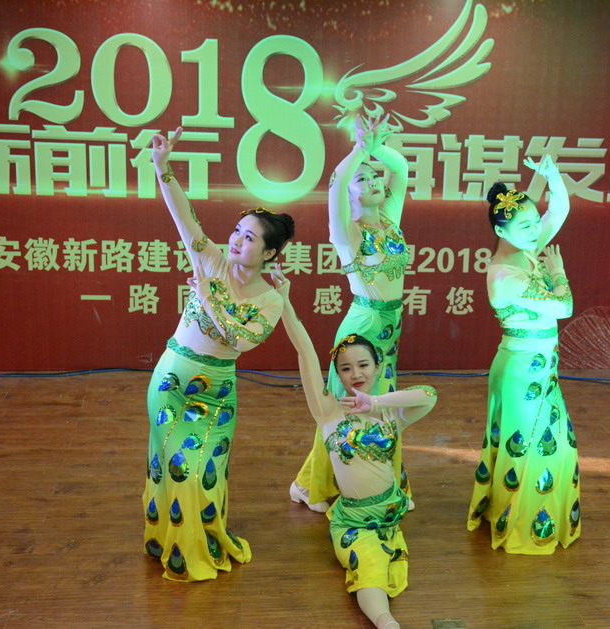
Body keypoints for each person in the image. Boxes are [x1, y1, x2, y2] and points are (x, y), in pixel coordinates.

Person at [142, 127, 295, 581]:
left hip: (217, 392)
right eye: (237, 232)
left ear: (269, 253)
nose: (237, 241)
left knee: (204, 472)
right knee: (174, 466)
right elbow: (183, 216)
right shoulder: (210, 260)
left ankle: (203, 538)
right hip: (172, 379)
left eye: (250, 238)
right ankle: (171, 544)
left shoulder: (271, 299)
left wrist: (209, 299)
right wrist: (163, 167)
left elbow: (240, 341)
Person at [272, 264, 436, 629]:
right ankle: (386, 623)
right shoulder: (328, 412)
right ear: (337, 374)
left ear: (378, 366)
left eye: (363, 365)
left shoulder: (389, 414)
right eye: (345, 368)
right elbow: (305, 353)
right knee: (370, 568)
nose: (356, 374)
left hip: (391, 512)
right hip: (355, 522)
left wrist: (376, 403)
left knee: (379, 560)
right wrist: (286, 304)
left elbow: (429, 395)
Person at [290, 115, 413, 512]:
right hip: (363, 326)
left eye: (375, 176)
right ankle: (310, 485)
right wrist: (359, 150)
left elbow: (400, 169)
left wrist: (376, 148)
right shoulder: (346, 232)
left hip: (390, 326)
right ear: (349, 195)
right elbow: (336, 182)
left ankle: (384, 482)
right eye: (363, 179)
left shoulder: (390, 219)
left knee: (382, 405)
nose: (374, 181)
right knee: (344, 407)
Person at [466, 156, 580, 554]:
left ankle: (518, 514)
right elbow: (563, 306)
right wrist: (559, 271)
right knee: (534, 449)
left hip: (542, 368)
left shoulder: (529, 246)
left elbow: (558, 211)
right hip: (521, 373)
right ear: (501, 230)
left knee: (551, 445)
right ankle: (521, 525)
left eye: (535, 221)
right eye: (525, 225)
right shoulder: (504, 274)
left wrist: (553, 177)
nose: (535, 229)